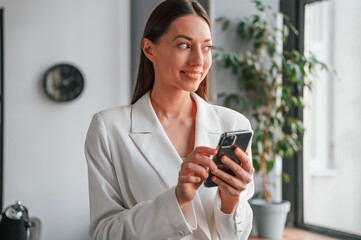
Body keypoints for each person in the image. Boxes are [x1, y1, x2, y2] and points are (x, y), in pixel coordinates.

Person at [84, 0, 254, 239]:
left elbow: (238, 235)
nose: (198, 60)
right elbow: (104, 234)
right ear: (149, 49)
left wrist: (231, 201)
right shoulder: (109, 129)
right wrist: (176, 200)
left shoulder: (234, 125)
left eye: (206, 47)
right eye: (184, 45)